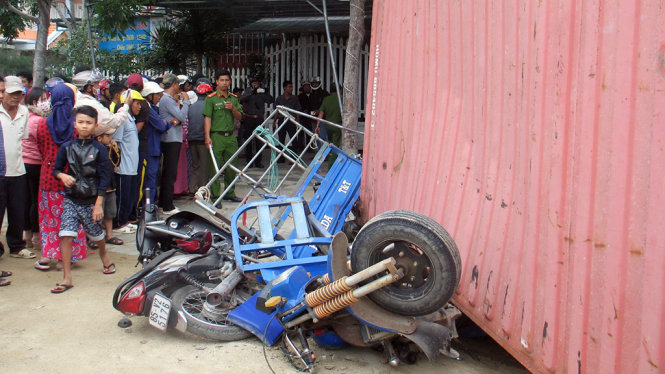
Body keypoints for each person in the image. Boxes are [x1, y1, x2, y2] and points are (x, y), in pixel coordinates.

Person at [50, 105, 115, 293]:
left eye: (88, 123)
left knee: (96, 235)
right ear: (74, 124)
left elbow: (105, 177)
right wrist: (62, 176)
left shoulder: (100, 149)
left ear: (95, 126)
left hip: (91, 200)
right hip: (71, 198)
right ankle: (67, 278)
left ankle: (104, 255)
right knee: (66, 234)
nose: (84, 126)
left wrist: (99, 204)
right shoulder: (66, 147)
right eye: (80, 122)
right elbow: (55, 169)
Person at [34, 83, 88, 271]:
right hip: (72, 179)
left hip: (48, 177)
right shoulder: (76, 126)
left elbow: (41, 149)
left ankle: (47, 256)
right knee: (71, 218)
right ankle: (67, 258)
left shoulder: (42, 124)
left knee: (48, 218)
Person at [0, 76, 34, 260]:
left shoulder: (24, 112)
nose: (16, 97)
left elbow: (24, 137)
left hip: (18, 170)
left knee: (17, 210)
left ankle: (16, 246)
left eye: (19, 94)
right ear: (4, 93)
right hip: (0, 172)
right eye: (12, 93)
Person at [203, 71, 243, 202]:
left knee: (232, 166)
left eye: (227, 80)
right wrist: (207, 136)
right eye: (221, 80)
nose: (224, 82)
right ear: (217, 82)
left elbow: (240, 117)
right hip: (216, 136)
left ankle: (229, 193)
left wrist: (233, 109)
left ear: (230, 82)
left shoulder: (233, 98)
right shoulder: (211, 99)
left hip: (230, 137)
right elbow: (207, 118)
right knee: (214, 167)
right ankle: (215, 196)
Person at [22, 87, 50, 253]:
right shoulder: (39, 121)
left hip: (23, 162)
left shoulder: (25, 117)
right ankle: (36, 235)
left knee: (26, 200)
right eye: (44, 99)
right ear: (35, 102)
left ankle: (27, 235)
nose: (47, 102)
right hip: (35, 163)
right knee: (35, 200)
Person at [159, 74, 190, 214]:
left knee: (169, 171)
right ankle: (167, 205)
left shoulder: (166, 99)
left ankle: (163, 202)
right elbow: (182, 116)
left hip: (172, 137)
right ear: (174, 85)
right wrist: (187, 102)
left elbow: (178, 118)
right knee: (170, 172)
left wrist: (178, 119)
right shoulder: (168, 99)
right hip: (171, 138)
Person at [112, 89, 142, 232]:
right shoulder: (123, 120)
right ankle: (119, 223)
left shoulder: (131, 120)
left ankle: (125, 220)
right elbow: (116, 143)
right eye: (137, 103)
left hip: (132, 166)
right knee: (122, 197)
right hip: (123, 166)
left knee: (129, 196)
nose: (139, 107)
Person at [140, 82, 172, 203]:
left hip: (153, 147)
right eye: (157, 95)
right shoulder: (148, 108)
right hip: (150, 148)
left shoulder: (151, 107)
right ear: (149, 95)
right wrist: (167, 123)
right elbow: (161, 125)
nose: (159, 97)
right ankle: (148, 206)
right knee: (150, 180)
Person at [93, 125, 123, 245]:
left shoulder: (109, 149)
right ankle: (94, 237)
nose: (110, 138)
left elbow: (116, 163)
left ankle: (109, 235)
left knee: (110, 212)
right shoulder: (96, 150)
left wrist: (115, 149)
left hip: (110, 185)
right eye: (108, 136)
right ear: (99, 138)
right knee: (97, 214)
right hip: (99, 185)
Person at [239, 76, 273, 168]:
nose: (256, 84)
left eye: (257, 82)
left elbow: (270, 100)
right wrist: (251, 93)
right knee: (248, 140)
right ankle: (249, 161)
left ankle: (258, 162)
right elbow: (241, 100)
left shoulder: (261, 92)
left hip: (259, 119)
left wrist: (266, 92)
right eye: (254, 82)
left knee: (259, 141)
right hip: (249, 118)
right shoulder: (248, 91)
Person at [187, 82, 212, 194]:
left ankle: (192, 188)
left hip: (192, 139)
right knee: (204, 165)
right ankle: (202, 190)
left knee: (195, 165)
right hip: (203, 139)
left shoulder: (192, 107)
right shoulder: (208, 106)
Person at [274, 80, 302, 155]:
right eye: (289, 87)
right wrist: (274, 122)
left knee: (293, 139)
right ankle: (281, 156)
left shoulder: (294, 98)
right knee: (281, 139)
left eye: (292, 87)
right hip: (282, 120)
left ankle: (294, 156)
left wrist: (298, 122)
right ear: (285, 88)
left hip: (291, 120)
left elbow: (297, 110)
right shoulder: (279, 98)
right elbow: (277, 111)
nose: (291, 88)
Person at [317, 83, 342, 165]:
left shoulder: (326, 99)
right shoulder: (341, 99)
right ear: (340, 90)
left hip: (328, 126)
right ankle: (332, 164)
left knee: (331, 144)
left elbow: (321, 113)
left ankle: (331, 159)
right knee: (336, 146)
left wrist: (318, 125)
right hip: (337, 126)